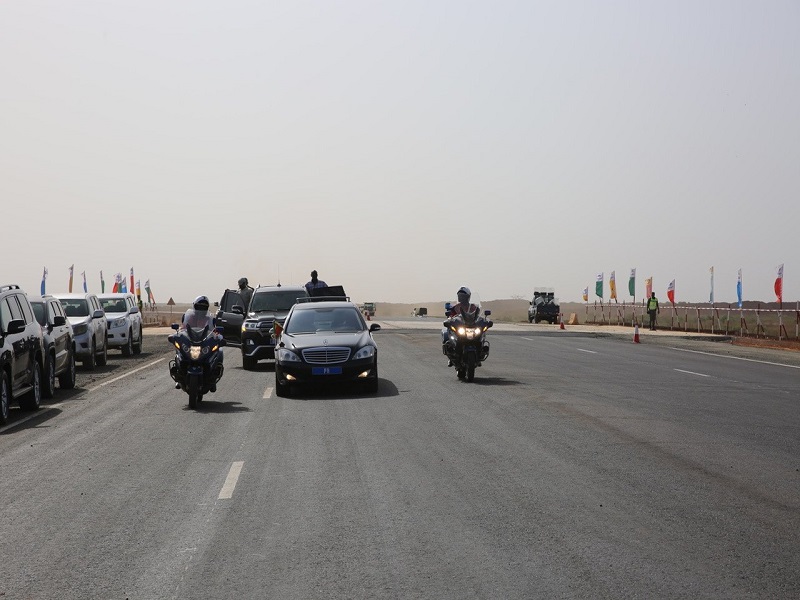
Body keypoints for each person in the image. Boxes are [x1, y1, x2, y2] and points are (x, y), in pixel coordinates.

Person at [177, 295, 224, 390]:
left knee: (219, 352)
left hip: (203, 342)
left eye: (203, 307)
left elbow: (213, 329)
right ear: (195, 306)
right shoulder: (190, 316)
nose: (201, 308)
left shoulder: (209, 318)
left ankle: (213, 379)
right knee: (179, 350)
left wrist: (218, 336)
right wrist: (178, 333)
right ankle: (179, 377)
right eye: (199, 306)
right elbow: (183, 327)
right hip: (191, 341)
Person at [442, 286, 479, 365]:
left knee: (480, 336)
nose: (461, 298)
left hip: (470, 326)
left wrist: (484, 321)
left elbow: (478, 316)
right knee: (448, 336)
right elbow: (450, 317)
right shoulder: (455, 308)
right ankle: (452, 355)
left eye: (463, 296)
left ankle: (480, 353)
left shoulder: (473, 307)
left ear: (468, 297)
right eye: (460, 296)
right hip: (460, 327)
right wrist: (449, 320)